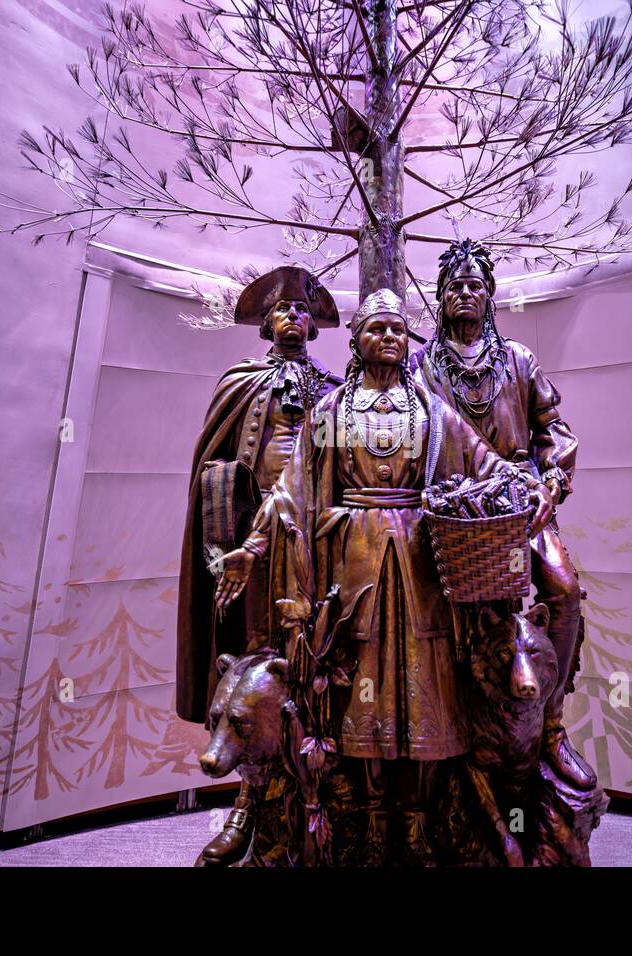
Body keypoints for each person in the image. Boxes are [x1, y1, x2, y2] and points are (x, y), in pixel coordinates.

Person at [215, 288, 551, 864]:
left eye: (398, 328)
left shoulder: (432, 412)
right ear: (356, 340)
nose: (390, 337)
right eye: (377, 328)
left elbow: (485, 461)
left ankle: (416, 822)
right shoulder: (333, 412)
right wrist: (252, 546)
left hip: (422, 570)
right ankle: (372, 823)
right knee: (361, 692)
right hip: (355, 570)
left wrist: (533, 484)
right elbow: (291, 491)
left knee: (426, 690)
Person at [410, 238, 595, 792]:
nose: (465, 295)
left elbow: (553, 428)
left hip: (522, 503)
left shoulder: (517, 359)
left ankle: (551, 725)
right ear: (441, 298)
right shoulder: (422, 367)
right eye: (454, 288)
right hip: (458, 511)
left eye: (475, 286)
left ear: (489, 295)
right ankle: (452, 738)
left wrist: (551, 483)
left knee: (563, 592)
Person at [175, 266, 341, 864]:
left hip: (315, 541)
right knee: (252, 660)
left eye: (303, 310)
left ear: (314, 326)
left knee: (317, 660)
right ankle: (251, 803)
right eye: (282, 310)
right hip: (253, 542)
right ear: (266, 324)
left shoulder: (336, 389)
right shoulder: (239, 382)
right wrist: (229, 535)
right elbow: (213, 463)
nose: (293, 316)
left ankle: (322, 796)